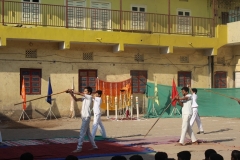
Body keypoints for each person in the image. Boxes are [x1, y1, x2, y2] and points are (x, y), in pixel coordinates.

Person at [67, 86, 98, 153]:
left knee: (82, 133)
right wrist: (71, 94)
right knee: (88, 133)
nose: (84, 92)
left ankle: (79, 148)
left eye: (85, 91)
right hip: (84, 117)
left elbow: (79, 93)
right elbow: (76, 99)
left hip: (86, 117)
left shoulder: (89, 97)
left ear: (89, 92)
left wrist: (71, 91)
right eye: (84, 91)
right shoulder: (84, 98)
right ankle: (94, 146)